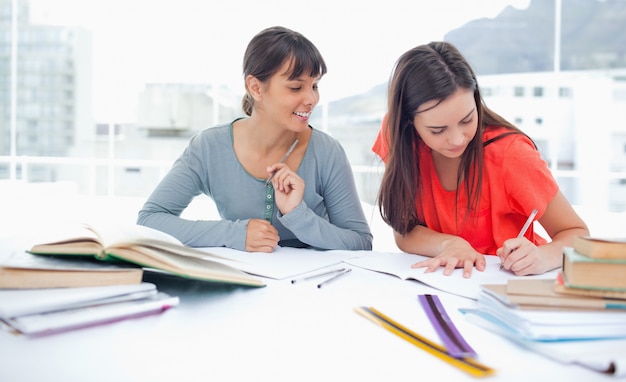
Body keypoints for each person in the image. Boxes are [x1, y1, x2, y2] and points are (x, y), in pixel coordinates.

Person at [137, 26, 372, 253]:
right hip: (241, 282)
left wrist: (298, 215)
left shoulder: (327, 152)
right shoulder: (208, 147)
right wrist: (235, 234)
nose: (311, 98)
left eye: (315, 86)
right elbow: (150, 220)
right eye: (295, 87)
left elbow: (360, 242)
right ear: (256, 88)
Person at [372, 41, 589, 277]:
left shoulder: (511, 154)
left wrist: (545, 256)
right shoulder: (398, 137)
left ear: (476, 101)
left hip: (508, 284)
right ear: (408, 123)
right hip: (440, 285)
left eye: (467, 120)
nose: (457, 139)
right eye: (437, 130)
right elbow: (405, 232)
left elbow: (578, 233)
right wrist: (448, 244)